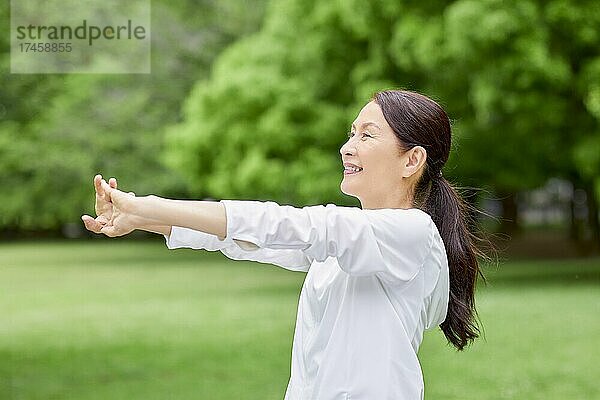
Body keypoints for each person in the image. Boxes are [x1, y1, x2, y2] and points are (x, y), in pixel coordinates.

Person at [82, 89, 487, 400]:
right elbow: (249, 239)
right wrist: (143, 219)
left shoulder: (410, 234)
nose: (347, 147)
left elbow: (286, 225)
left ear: (411, 160)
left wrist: (150, 204)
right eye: (351, 133)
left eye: (368, 135)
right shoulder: (352, 244)